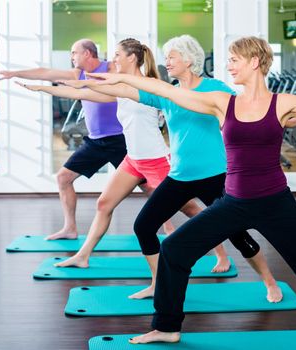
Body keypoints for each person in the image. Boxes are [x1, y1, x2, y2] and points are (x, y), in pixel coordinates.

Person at [95, 36, 296, 349]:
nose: (229, 66)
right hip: (234, 203)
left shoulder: (284, 104)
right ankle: (167, 327)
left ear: (255, 61)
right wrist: (123, 83)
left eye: (234, 60)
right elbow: (163, 90)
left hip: (276, 204)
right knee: (175, 250)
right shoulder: (223, 102)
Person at [57, 35, 284, 301]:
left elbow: (248, 109)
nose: (167, 61)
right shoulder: (169, 91)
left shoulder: (216, 88)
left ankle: (270, 282)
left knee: (236, 233)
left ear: (188, 60)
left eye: (172, 56)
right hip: (179, 176)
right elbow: (126, 88)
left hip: (215, 177)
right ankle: (157, 284)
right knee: (143, 226)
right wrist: (68, 85)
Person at [15, 39, 197, 296]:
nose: (113, 59)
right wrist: (42, 89)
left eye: (117, 54)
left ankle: (220, 251)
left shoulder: (150, 86)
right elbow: (81, 92)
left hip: (156, 160)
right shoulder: (119, 85)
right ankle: (83, 255)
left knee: (187, 206)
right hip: (133, 159)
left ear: (132, 58)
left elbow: (178, 106)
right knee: (104, 204)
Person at [0, 39, 142, 239]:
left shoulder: (112, 68)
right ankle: (70, 228)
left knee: (148, 184)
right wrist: (14, 74)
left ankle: (169, 226)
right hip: (95, 141)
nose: (71, 57)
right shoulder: (76, 73)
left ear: (88, 53)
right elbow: (44, 72)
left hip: (120, 140)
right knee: (63, 178)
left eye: (74, 52)